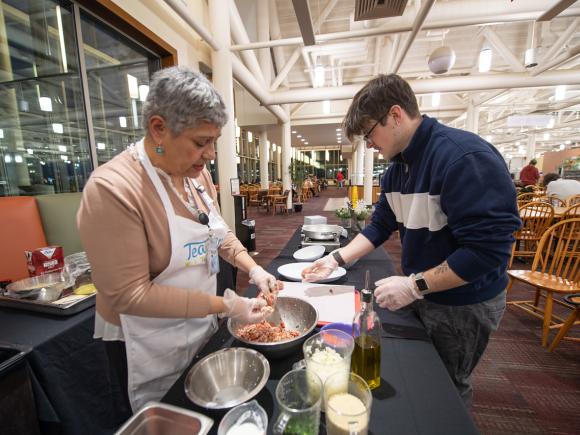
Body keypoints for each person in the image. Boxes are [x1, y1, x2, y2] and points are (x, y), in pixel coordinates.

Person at [301, 74, 521, 407]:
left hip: (464, 302)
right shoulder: (396, 171)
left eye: (370, 132)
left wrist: (414, 286)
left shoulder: (462, 157)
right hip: (426, 291)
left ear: (395, 115)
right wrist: (336, 259)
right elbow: (379, 226)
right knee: (423, 376)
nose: (370, 144)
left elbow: (485, 253)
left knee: (447, 385)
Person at [77, 67, 279, 413]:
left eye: (214, 141)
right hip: (146, 341)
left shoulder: (194, 179)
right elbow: (130, 295)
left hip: (196, 323)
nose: (211, 155)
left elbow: (219, 234)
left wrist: (253, 268)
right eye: (201, 142)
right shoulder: (113, 188)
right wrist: (225, 306)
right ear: (159, 128)